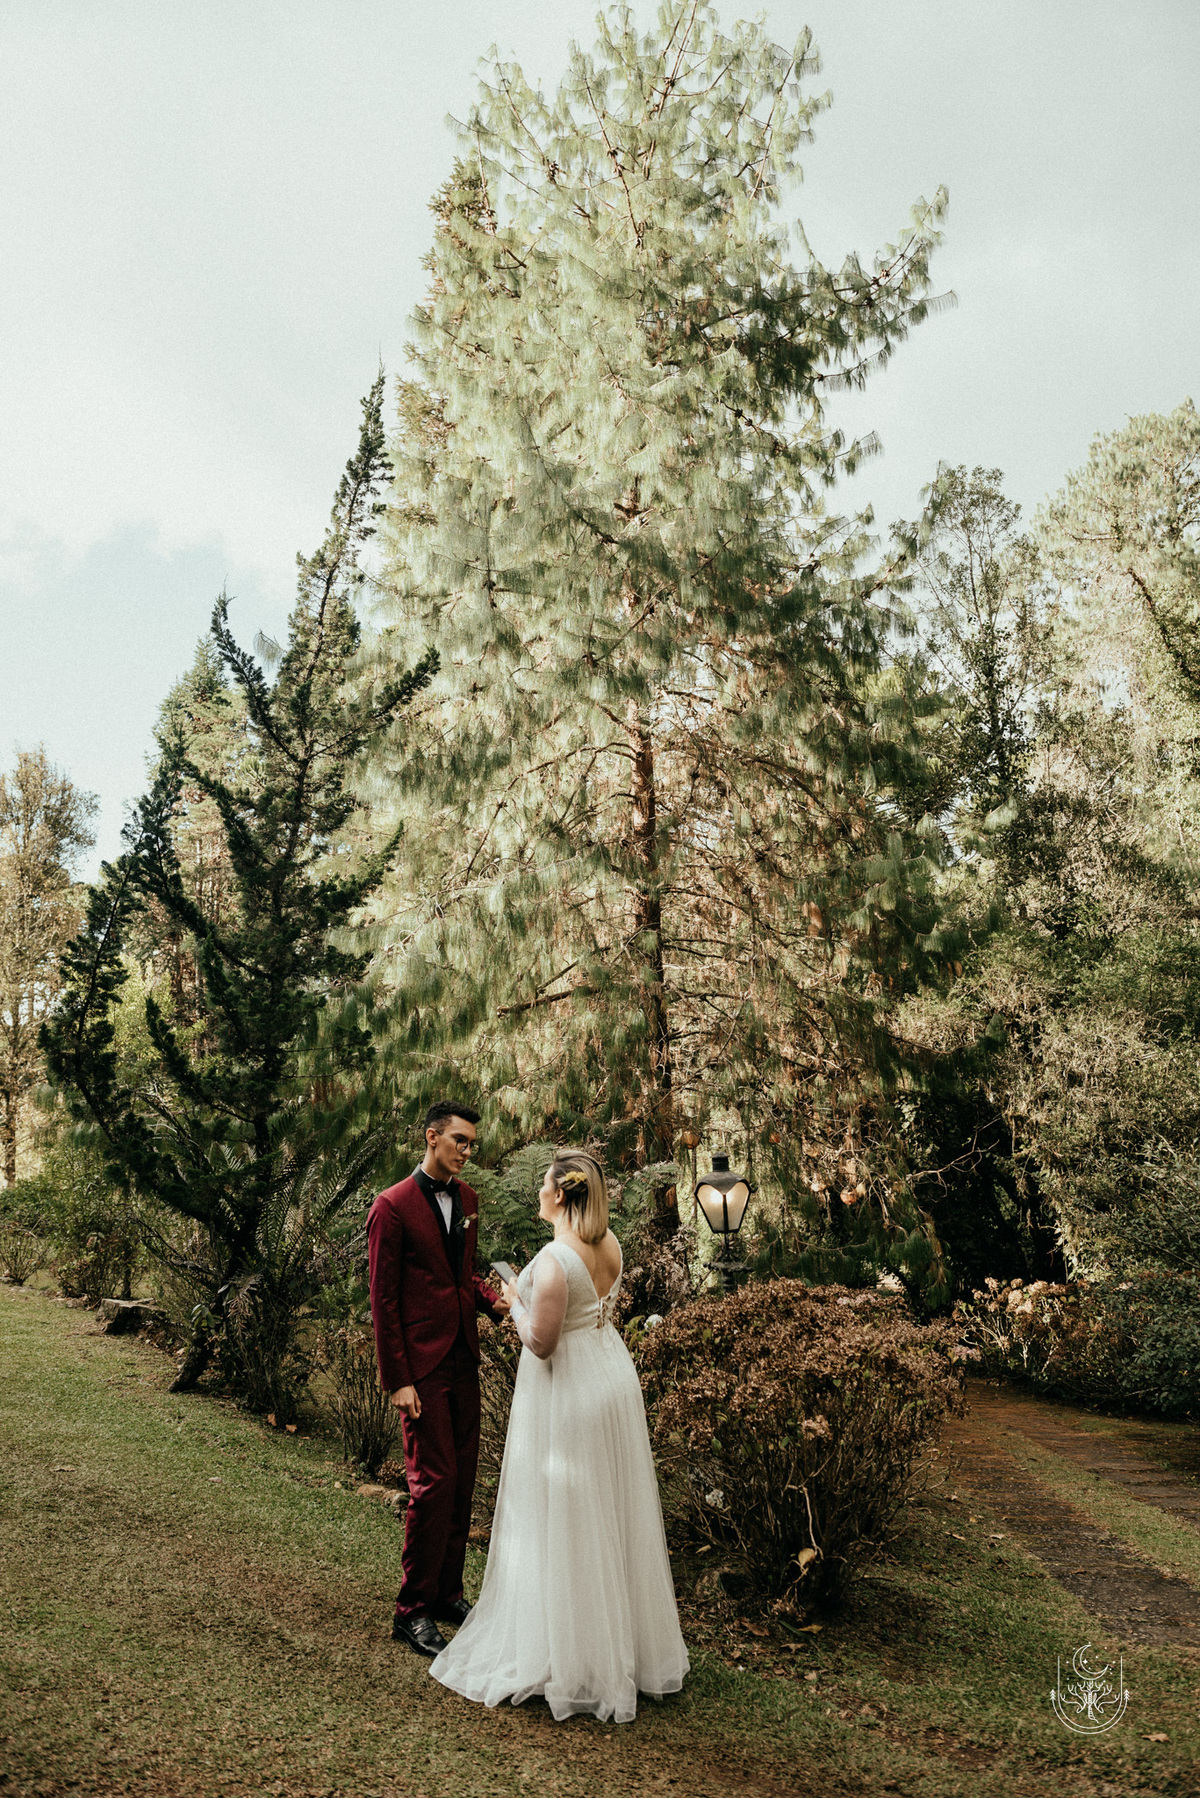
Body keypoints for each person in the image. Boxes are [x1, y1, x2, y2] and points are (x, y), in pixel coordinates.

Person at [429, 1150, 689, 1723]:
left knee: (565, 1514)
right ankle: (617, 1648)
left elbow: (541, 1342)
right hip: (610, 1376)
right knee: (606, 1514)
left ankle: (567, 1657)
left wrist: (513, 1300)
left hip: (569, 1388)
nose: (539, 1195)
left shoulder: (552, 1260)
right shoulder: (611, 1245)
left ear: (561, 1195)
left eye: (544, 1187)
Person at [367, 1100, 506, 1657]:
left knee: (464, 1479)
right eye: (460, 1142)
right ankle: (413, 1609)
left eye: (472, 1144)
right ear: (432, 1138)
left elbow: (461, 1277)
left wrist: (499, 1305)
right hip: (420, 1369)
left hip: (463, 1359)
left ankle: (448, 1593)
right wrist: (397, 1378)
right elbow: (383, 1298)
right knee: (433, 1484)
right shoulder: (392, 1207)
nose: (468, 1152)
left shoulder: (468, 1200)